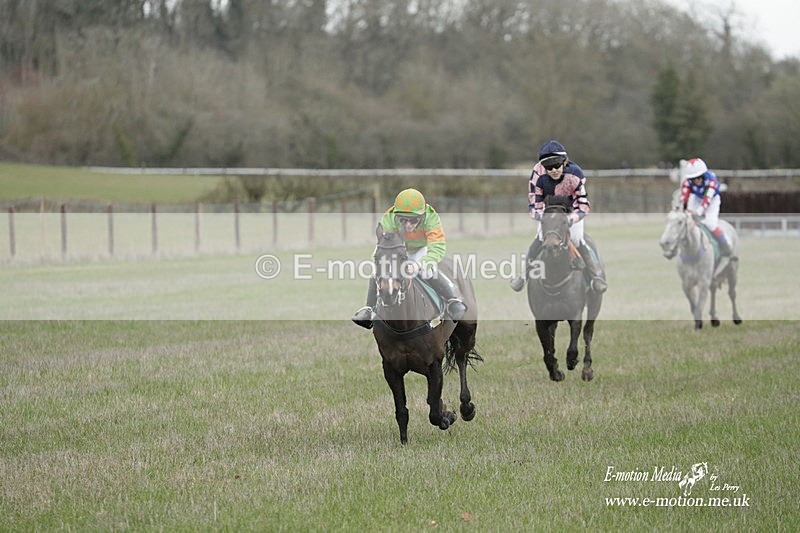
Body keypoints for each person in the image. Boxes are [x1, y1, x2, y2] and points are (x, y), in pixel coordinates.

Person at [351, 188, 467, 329]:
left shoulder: (431, 218)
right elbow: (383, 246)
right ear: (396, 214)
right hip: (397, 250)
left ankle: (452, 301)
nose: (408, 225)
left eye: (413, 220)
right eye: (403, 220)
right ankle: (369, 310)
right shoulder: (389, 218)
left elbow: (437, 248)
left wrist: (419, 265)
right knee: (377, 271)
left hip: (420, 249)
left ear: (422, 215)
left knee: (427, 271)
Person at [510, 140, 607, 294]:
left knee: (577, 239)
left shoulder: (575, 174)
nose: (553, 170)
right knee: (539, 239)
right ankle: (522, 276)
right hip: (549, 216)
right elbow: (534, 204)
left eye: (557, 165)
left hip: (571, 214)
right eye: (549, 167)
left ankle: (595, 277)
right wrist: (545, 218)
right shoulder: (537, 175)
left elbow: (583, 205)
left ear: (564, 162)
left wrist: (571, 219)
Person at [679, 157, 735, 257]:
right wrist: (684, 210)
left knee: (710, 224)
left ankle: (726, 245)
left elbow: (707, 198)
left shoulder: (712, 180)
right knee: (689, 223)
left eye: (699, 177)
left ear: (703, 175)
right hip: (697, 198)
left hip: (712, 200)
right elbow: (684, 198)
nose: (696, 181)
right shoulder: (687, 182)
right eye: (693, 179)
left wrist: (699, 211)